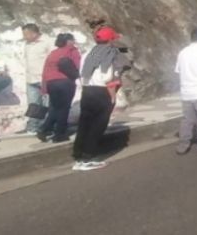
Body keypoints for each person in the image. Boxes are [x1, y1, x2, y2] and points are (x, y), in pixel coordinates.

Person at [73, 26, 129, 171]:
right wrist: (112, 97)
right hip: (101, 92)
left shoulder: (87, 54)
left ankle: (78, 155)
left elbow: (82, 73)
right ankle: (88, 157)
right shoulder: (110, 54)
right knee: (97, 126)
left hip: (87, 92)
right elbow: (109, 78)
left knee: (84, 124)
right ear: (110, 40)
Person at [37, 33, 81, 143]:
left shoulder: (53, 53)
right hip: (65, 82)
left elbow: (45, 71)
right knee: (64, 108)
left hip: (51, 83)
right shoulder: (72, 51)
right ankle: (59, 134)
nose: (74, 41)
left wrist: (44, 87)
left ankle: (44, 130)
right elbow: (77, 67)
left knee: (55, 108)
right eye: (72, 39)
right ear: (68, 41)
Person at [21, 23, 50, 134]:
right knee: (33, 104)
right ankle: (33, 127)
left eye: (26, 34)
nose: (24, 37)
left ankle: (45, 126)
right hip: (31, 79)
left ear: (34, 33)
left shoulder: (47, 42)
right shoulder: (27, 44)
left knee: (46, 104)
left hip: (44, 78)